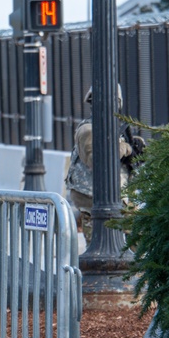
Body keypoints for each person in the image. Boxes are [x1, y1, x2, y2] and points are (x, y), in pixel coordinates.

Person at [65, 86, 145, 240]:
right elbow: (98, 159)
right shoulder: (88, 130)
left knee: (138, 241)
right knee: (98, 249)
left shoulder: (116, 129)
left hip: (120, 197)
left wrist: (138, 148)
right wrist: (125, 148)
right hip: (93, 199)